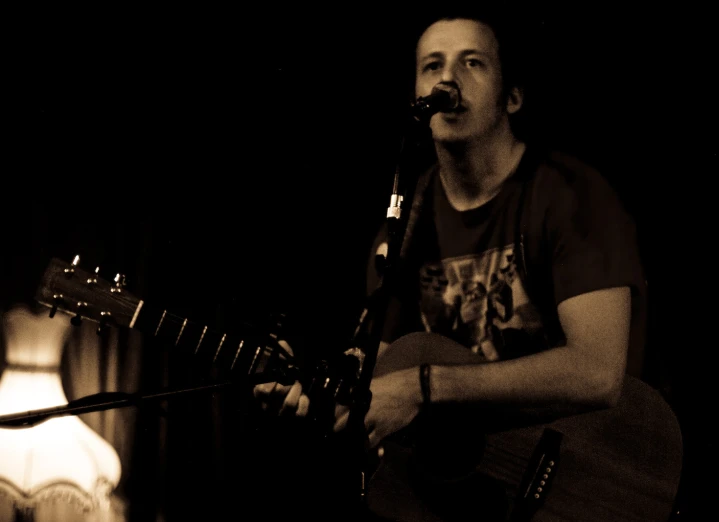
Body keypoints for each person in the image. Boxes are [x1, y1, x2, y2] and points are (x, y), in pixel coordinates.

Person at [253, 7, 649, 518]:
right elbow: (380, 373)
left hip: (601, 479)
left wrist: (425, 385)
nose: (447, 79)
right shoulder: (405, 225)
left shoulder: (569, 196)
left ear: (513, 96)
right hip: (480, 497)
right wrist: (312, 394)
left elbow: (597, 372)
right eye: (432, 65)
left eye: (472, 63)